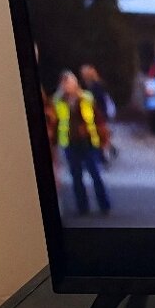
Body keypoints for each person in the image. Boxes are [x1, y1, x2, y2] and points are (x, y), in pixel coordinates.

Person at [53, 69, 111, 216]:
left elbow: (98, 118)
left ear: (75, 83)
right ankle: (82, 207)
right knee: (76, 176)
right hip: (70, 142)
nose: (67, 86)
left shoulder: (86, 97)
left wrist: (104, 138)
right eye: (64, 83)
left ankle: (104, 205)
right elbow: (55, 122)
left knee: (95, 173)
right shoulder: (58, 101)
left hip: (88, 141)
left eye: (69, 82)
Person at [79, 63, 118, 162]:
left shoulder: (96, 85)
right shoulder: (89, 85)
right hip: (95, 113)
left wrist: (102, 114)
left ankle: (104, 155)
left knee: (100, 134)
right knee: (100, 134)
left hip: (100, 113)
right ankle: (109, 150)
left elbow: (101, 101)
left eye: (84, 73)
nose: (83, 75)